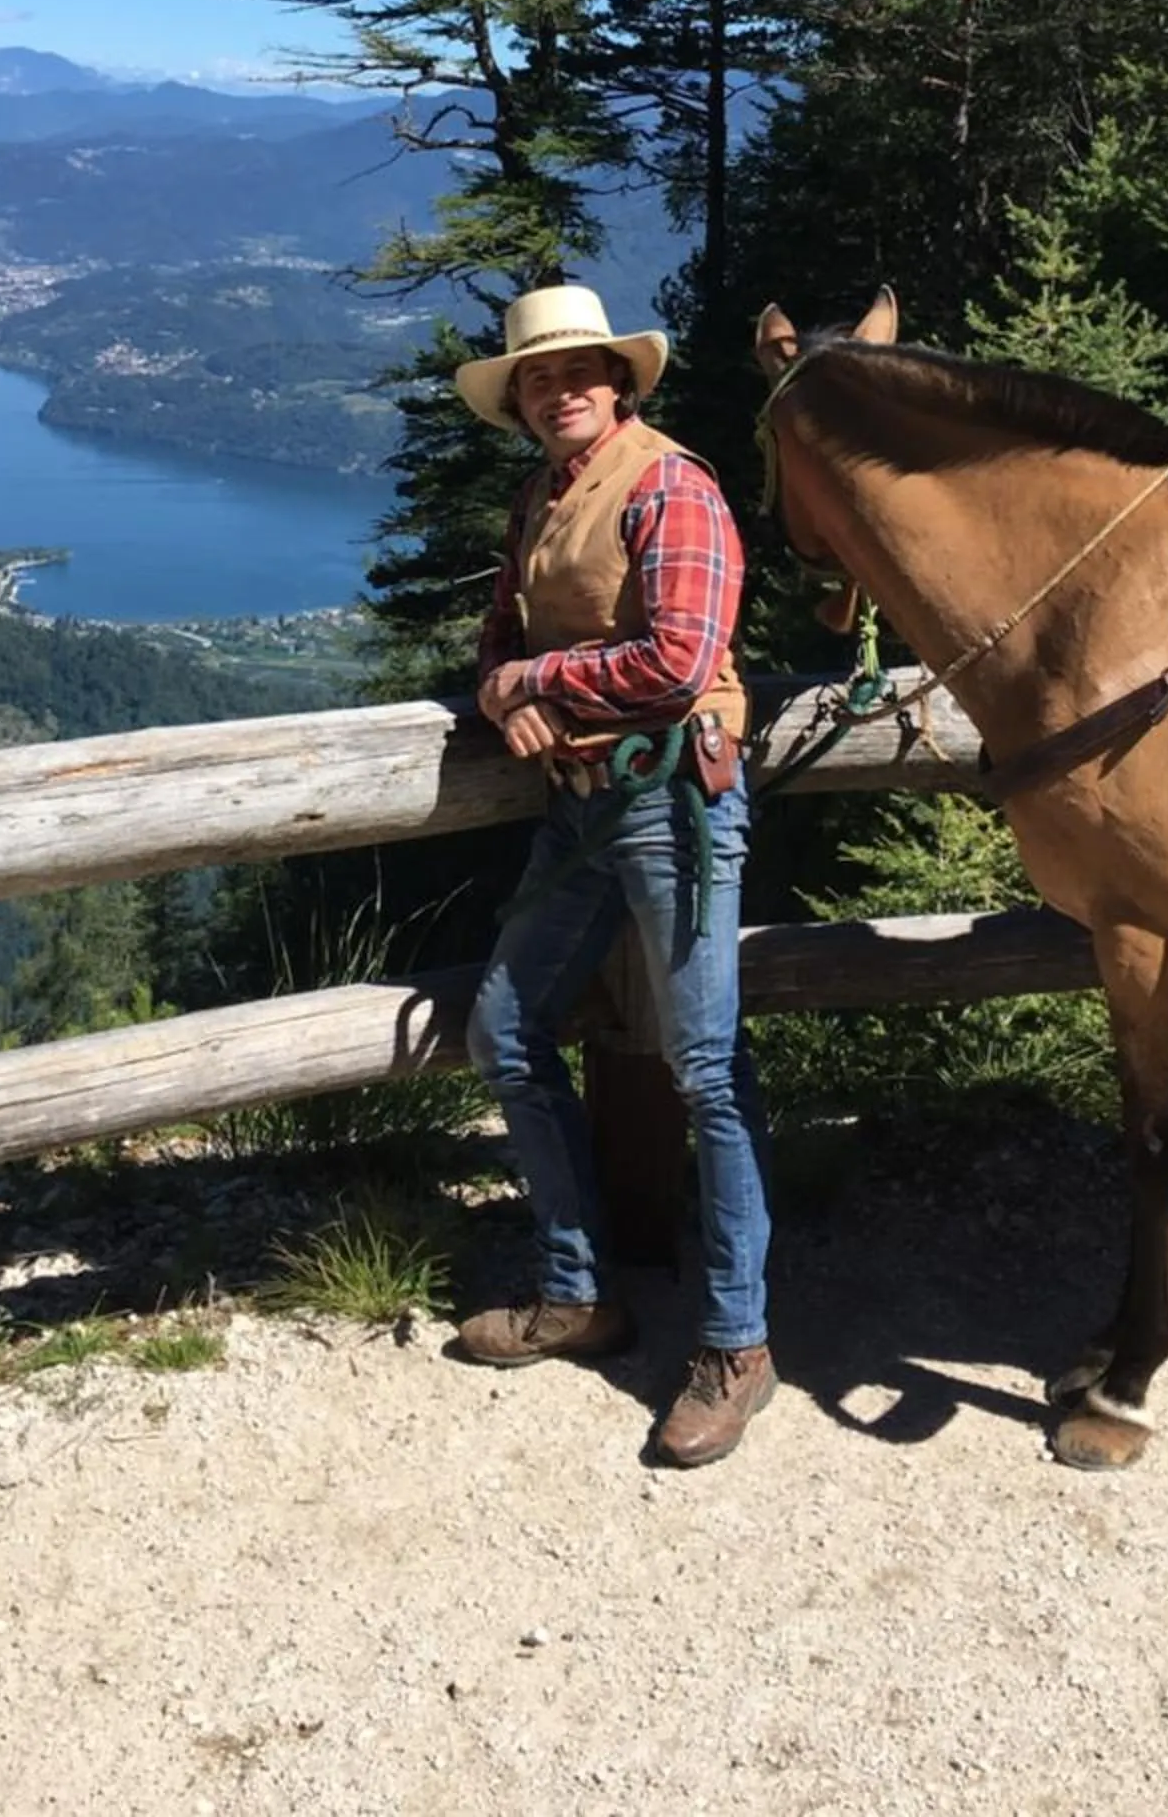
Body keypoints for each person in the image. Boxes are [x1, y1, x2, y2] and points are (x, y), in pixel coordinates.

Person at [449, 282, 774, 1468]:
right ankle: (582, 1293)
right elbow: (500, 644)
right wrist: (505, 689)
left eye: (580, 370)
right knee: (506, 1032)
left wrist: (540, 688)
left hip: (673, 805)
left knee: (705, 1066)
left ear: (621, 382)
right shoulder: (540, 496)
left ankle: (739, 1344)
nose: (560, 389)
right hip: (581, 813)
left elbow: (681, 660)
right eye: (538, 377)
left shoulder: (671, 485)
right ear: (523, 402)